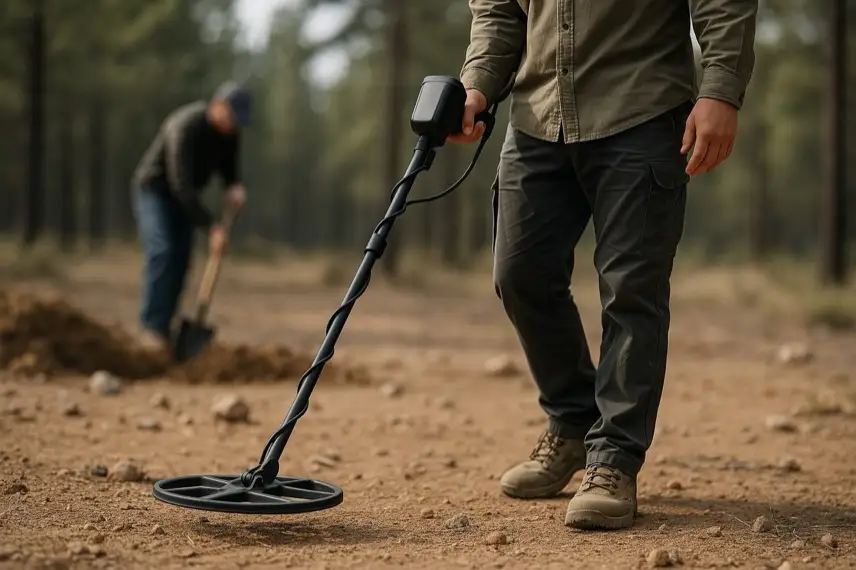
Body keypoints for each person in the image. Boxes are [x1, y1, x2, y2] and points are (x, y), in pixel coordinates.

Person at [450, 1, 757, 529]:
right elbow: (500, 12)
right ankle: (572, 421)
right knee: (520, 274)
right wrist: (476, 85)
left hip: (641, 111)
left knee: (630, 292)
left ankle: (613, 459)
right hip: (538, 115)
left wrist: (719, 89)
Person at [131, 81, 251, 352]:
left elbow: (229, 168)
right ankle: (151, 328)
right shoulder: (184, 126)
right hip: (156, 192)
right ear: (218, 105)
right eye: (232, 117)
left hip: (185, 199)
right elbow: (180, 184)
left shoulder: (230, 133)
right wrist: (212, 228)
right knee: (163, 251)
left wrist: (234, 186)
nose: (235, 125)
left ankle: (167, 330)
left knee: (182, 259)